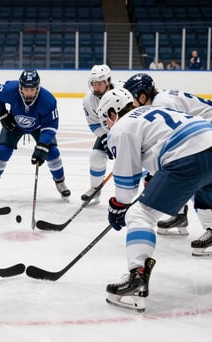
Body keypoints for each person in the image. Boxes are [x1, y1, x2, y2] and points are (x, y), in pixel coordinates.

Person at [96, 87, 212, 312]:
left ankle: (136, 277)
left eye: (107, 121)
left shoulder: (121, 127)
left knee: (139, 214)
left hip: (188, 156)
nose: (108, 127)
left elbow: (126, 189)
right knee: (207, 196)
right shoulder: (153, 109)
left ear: (112, 114)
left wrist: (118, 207)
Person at [123, 73, 212, 247]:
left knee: (193, 174)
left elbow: (178, 143)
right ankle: (181, 216)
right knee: (188, 174)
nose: (130, 105)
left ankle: (204, 224)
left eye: (132, 99)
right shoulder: (159, 100)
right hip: (205, 133)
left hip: (205, 136)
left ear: (142, 96)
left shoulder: (161, 103)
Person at [0, 69, 70, 201]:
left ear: (38, 88)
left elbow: (51, 125)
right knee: (2, 151)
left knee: (52, 152)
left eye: (32, 89)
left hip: (40, 127)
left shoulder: (48, 100)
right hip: (14, 123)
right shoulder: (10, 90)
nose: (29, 93)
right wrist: (3, 114)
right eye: (25, 89)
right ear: (20, 87)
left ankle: (60, 182)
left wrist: (42, 144)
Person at [81, 64, 124, 205]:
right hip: (109, 131)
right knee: (96, 157)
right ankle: (95, 190)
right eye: (94, 84)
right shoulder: (88, 100)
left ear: (108, 82)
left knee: (138, 162)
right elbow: (93, 124)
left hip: (131, 131)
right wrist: (105, 138)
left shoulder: (124, 91)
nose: (96, 87)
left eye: (99, 84)